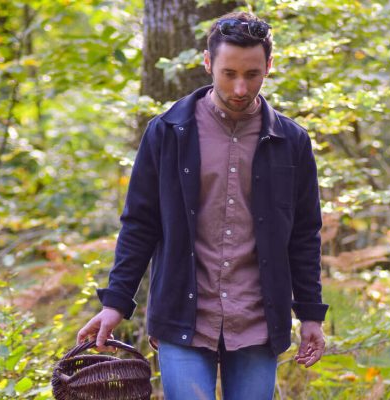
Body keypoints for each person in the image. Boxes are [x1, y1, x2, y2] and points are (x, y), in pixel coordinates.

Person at [76, 11, 328, 400]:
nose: (241, 88)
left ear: (269, 66)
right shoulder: (167, 132)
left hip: (258, 319)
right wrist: (116, 303)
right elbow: (140, 223)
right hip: (182, 315)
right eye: (229, 74)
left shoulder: (291, 141)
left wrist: (310, 313)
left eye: (252, 74)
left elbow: (304, 234)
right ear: (208, 63)